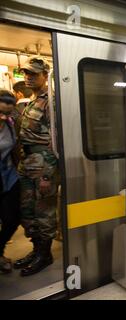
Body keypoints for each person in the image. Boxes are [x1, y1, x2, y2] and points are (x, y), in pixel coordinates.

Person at [13, 56, 59, 276]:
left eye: (33, 73)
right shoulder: (31, 101)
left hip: (43, 164)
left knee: (44, 212)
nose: (28, 77)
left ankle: (45, 254)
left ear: (45, 75)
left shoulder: (51, 100)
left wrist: (48, 175)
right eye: (26, 73)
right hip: (27, 162)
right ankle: (36, 249)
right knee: (28, 210)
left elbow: (55, 139)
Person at [0, 90, 21, 274]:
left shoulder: (9, 124)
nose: (7, 105)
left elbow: (14, 148)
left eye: (10, 103)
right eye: (3, 102)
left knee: (13, 218)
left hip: (9, 176)